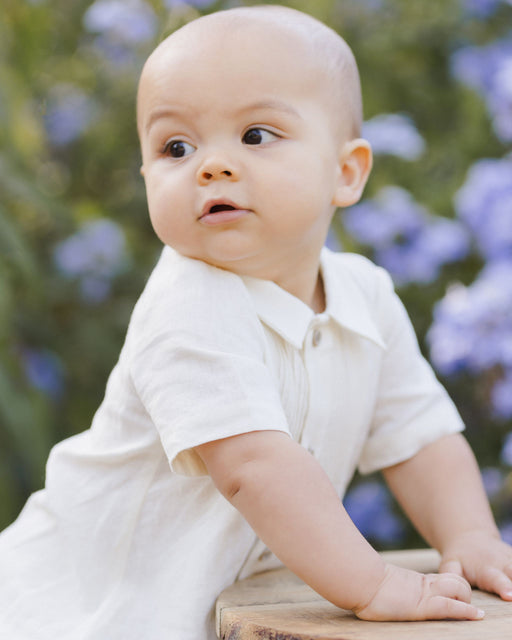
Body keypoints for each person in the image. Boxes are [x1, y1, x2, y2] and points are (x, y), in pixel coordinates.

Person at [1, 5, 512, 639]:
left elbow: (421, 437)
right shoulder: (190, 303)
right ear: (146, 175)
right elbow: (254, 467)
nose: (210, 165)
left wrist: (469, 536)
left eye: (255, 135)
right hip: (79, 616)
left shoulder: (364, 294)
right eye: (176, 147)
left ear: (346, 172)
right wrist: (374, 584)